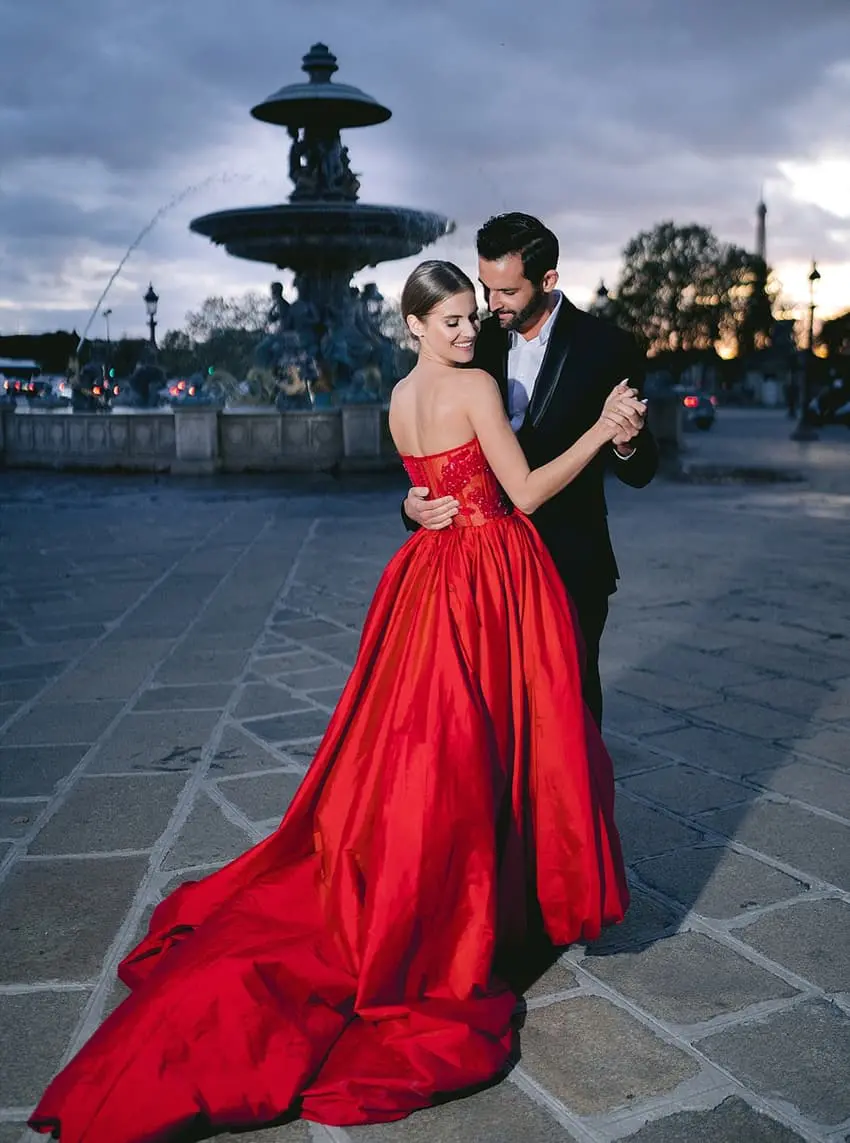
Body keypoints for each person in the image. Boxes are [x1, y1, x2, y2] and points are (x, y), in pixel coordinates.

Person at [29, 261, 642, 1143]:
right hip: (491, 575)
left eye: (474, 320)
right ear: (415, 326)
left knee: (437, 747)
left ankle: (472, 889)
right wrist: (602, 428)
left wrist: (411, 500)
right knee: (500, 742)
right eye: (455, 322)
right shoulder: (473, 389)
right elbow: (529, 492)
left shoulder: (398, 399)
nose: (471, 334)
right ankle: (479, 901)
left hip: (429, 580)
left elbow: (425, 482)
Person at [403, 213, 658, 727]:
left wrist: (625, 440)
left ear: (547, 281)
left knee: (570, 708)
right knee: (494, 713)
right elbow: (437, 438)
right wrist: (411, 503)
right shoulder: (474, 343)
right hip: (485, 571)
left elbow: (640, 469)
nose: (490, 305)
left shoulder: (608, 348)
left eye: (506, 291)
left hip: (569, 558)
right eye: (484, 288)